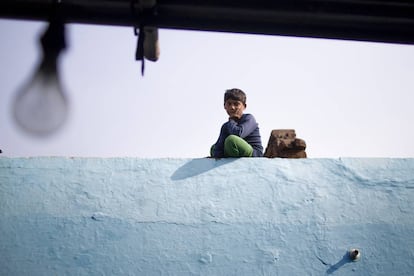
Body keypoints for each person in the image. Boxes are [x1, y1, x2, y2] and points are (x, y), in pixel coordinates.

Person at [211, 88, 263, 158]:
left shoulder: (249, 118)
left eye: (236, 104)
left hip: (253, 153)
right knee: (214, 148)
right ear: (224, 106)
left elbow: (238, 133)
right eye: (229, 104)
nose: (232, 107)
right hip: (234, 151)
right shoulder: (226, 126)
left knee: (231, 140)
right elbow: (218, 148)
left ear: (244, 106)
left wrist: (232, 120)